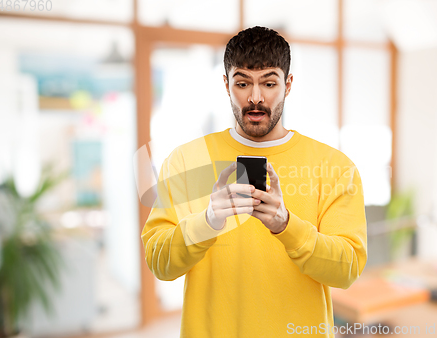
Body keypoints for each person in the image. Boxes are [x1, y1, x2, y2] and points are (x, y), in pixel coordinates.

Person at [141, 26, 367, 338]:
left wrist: (287, 226)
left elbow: (347, 270)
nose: (255, 98)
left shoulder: (335, 167)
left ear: (288, 85)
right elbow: (160, 263)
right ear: (226, 84)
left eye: (269, 83)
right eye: (243, 83)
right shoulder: (185, 161)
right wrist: (206, 223)